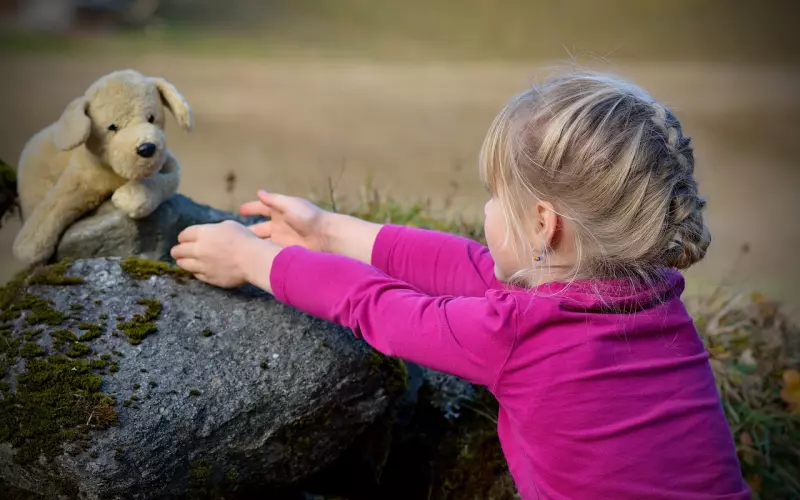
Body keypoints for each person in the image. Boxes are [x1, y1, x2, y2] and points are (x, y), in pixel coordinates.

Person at [170, 69, 751, 499]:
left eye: (496, 195)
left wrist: (253, 261)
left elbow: (377, 307)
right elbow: (473, 267)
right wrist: (328, 230)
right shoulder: (654, 297)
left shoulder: (518, 334)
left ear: (543, 224)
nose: (487, 209)